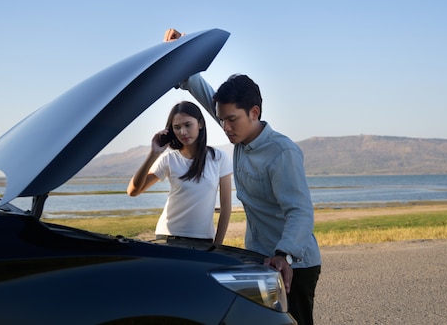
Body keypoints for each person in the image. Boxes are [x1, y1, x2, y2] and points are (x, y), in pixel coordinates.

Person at [164, 29, 322, 325]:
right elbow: (204, 93)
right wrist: (182, 54)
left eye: (231, 120)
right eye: (221, 120)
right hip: (260, 258)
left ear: (254, 112)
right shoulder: (238, 132)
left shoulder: (282, 152)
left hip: (294, 264)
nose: (224, 127)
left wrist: (284, 255)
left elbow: (299, 212)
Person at [127, 101, 233, 245]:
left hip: (204, 240)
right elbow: (133, 191)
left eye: (188, 125)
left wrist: (218, 245)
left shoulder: (218, 157)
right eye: (177, 127)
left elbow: (226, 206)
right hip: (168, 237)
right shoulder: (169, 159)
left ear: (200, 123)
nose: (182, 132)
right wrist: (153, 153)